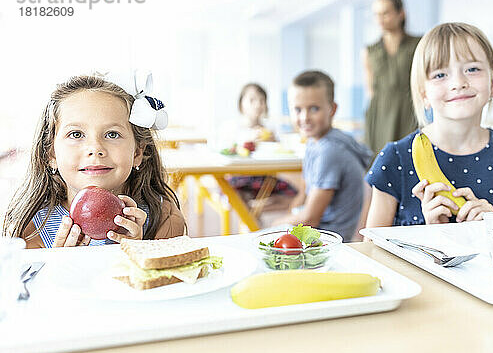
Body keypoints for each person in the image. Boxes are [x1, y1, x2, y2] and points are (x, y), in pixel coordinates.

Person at [365, 22, 493, 227]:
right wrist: (430, 232)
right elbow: (371, 252)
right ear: (424, 93)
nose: (458, 82)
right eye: (440, 75)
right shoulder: (396, 158)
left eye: (472, 69)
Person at [2, 73, 186, 248]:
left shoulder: (163, 219)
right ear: (51, 154)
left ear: (138, 152)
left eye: (112, 134)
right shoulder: (27, 227)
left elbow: (168, 280)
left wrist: (139, 252)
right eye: (76, 134)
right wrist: (57, 262)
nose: (95, 148)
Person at [275, 70, 372, 241]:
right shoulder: (314, 142)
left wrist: (274, 224)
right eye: (297, 109)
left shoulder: (330, 151)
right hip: (321, 233)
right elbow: (304, 194)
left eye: (314, 109)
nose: (305, 117)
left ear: (332, 109)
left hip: (330, 242)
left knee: (263, 233)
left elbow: (310, 219)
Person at [363, 0, 421, 156]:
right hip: (379, 113)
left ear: (401, 13)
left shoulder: (419, 44)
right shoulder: (370, 51)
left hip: (410, 112)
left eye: (385, 13)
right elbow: (370, 89)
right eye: (376, 14)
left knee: (411, 157)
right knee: (380, 162)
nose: (380, 19)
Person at [227, 83, 297, 209]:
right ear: (241, 105)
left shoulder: (270, 129)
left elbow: (283, 150)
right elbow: (229, 151)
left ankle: (254, 210)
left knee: (294, 195)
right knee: (234, 196)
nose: (258, 104)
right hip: (240, 177)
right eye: (252, 100)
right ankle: (252, 215)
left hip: (265, 178)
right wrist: (248, 142)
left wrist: (274, 141)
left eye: (262, 100)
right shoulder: (234, 128)